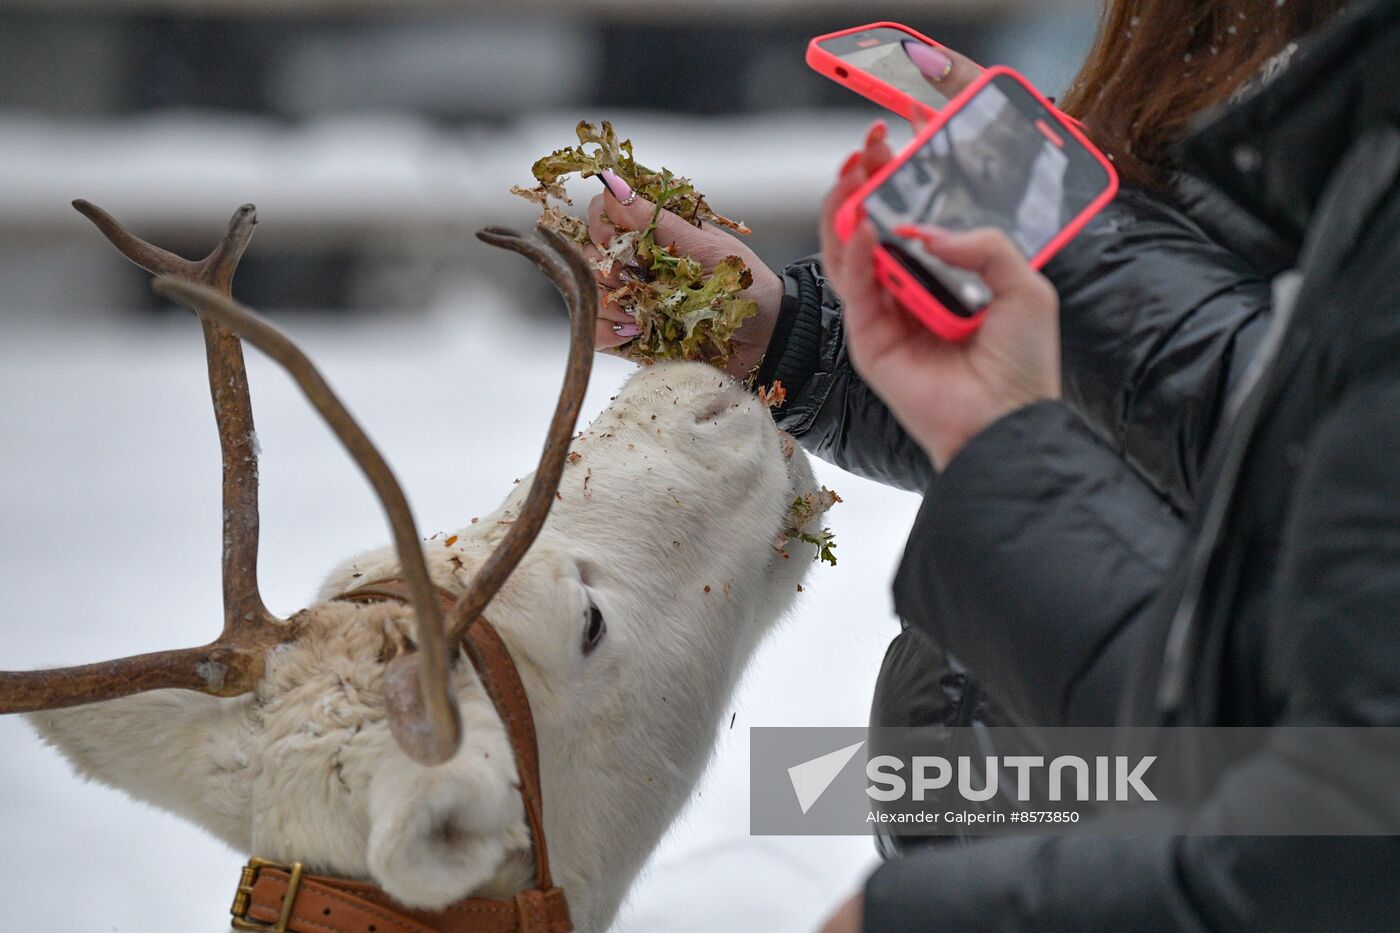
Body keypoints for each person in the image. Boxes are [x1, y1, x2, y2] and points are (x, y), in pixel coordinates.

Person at [587, 0, 1345, 854]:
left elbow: (1295, 438)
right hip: (1001, 816)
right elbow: (1122, 422)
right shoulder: (1217, 51)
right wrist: (793, 337)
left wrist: (1070, 231)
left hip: (1163, 844)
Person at [813, 0, 1400, 926]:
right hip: (1024, 795)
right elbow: (1234, 695)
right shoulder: (1314, 117)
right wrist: (794, 344)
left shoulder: (1321, 127)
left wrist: (1052, 217)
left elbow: (1331, 847)